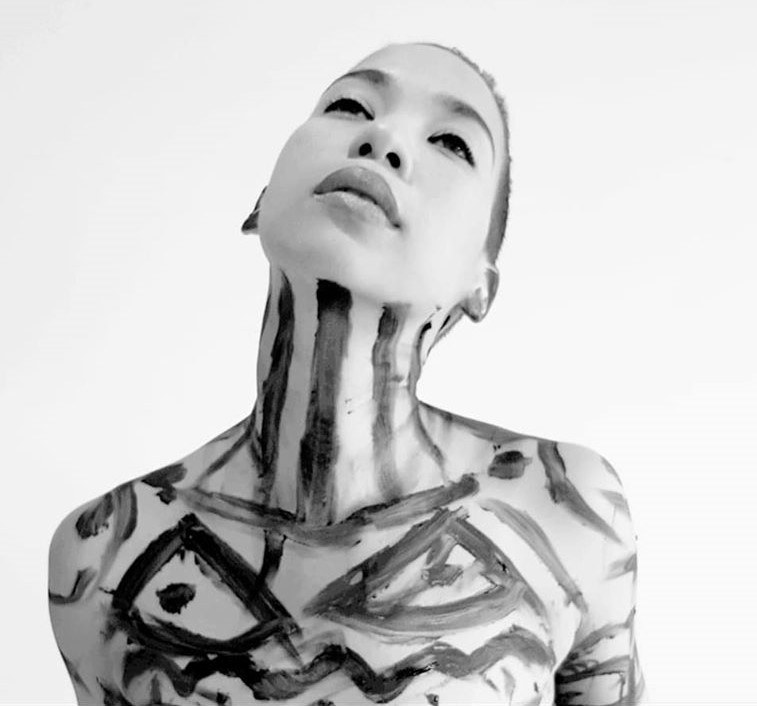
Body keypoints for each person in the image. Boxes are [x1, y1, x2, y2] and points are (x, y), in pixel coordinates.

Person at [48, 41, 647, 705]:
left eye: (451, 142)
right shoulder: (103, 558)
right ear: (261, 201)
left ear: (479, 284)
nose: (383, 138)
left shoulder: (568, 515)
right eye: (350, 105)